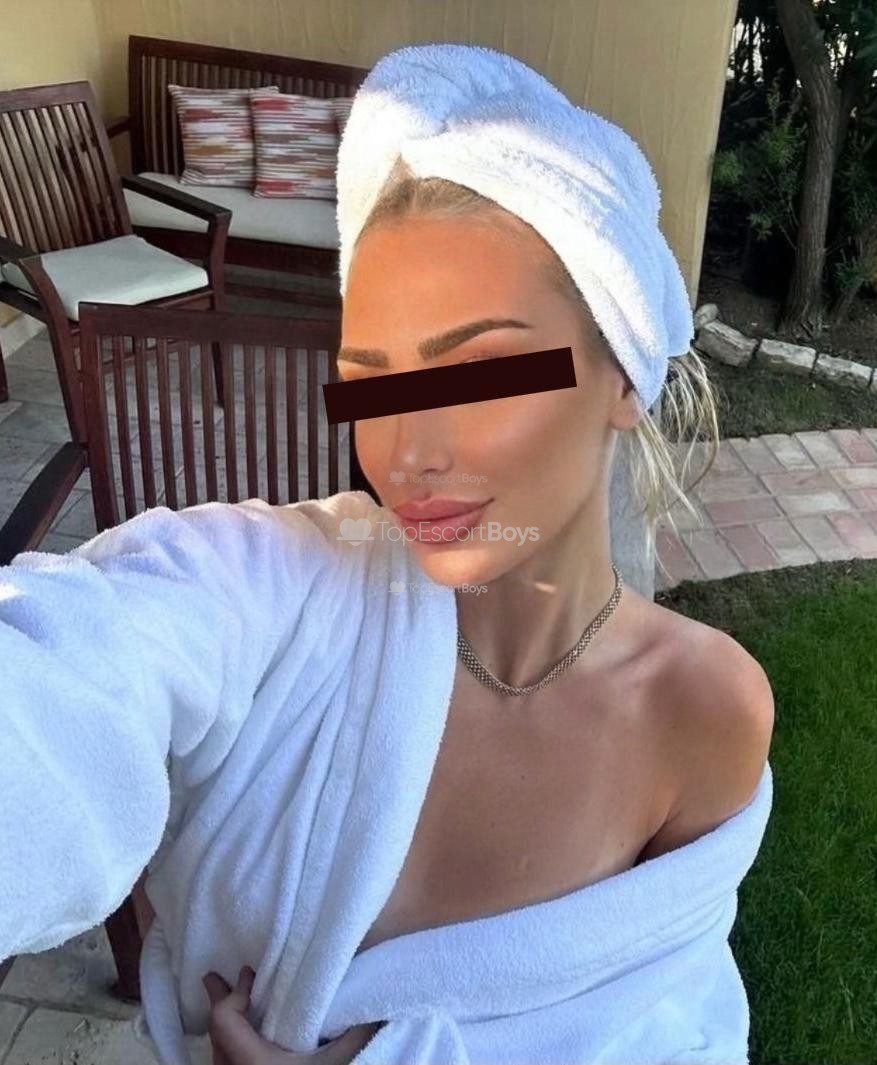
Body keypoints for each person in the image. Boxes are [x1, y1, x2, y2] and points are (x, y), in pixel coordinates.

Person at [0, 42, 775, 1065]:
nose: (406, 452)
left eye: (482, 371)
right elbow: (64, 674)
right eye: (371, 384)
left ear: (623, 375)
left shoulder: (705, 713)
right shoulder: (268, 590)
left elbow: (669, 1033)